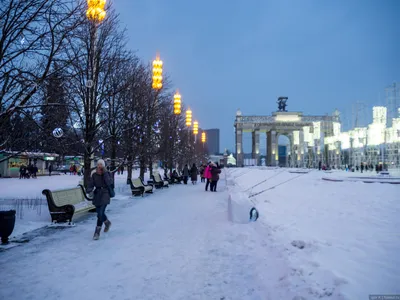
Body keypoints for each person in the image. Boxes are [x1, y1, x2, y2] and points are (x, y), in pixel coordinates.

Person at [86, 159, 113, 240]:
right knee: (99, 213)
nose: (99, 166)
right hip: (97, 195)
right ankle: (107, 223)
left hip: (105, 194)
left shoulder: (107, 173)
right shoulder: (94, 174)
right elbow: (91, 184)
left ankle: (97, 232)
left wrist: (104, 172)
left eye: (101, 164)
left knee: (100, 213)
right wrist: (89, 190)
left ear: (104, 165)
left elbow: (109, 182)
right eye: (98, 164)